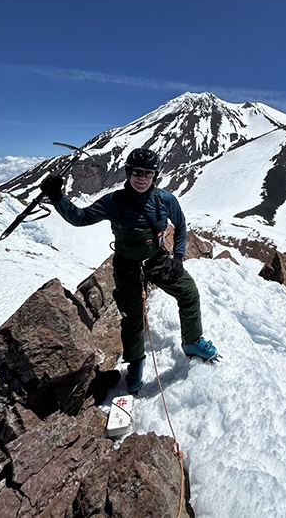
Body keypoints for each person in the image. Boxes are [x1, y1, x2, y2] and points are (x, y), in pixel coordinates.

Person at [40, 147, 218, 394]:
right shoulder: (114, 201)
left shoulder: (165, 200)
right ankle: (136, 363)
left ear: (155, 175)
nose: (141, 177)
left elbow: (181, 224)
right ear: (128, 173)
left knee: (188, 292)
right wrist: (57, 196)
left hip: (157, 259)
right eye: (136, 172)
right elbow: (79, 218)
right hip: (127, 265)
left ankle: (193, 342)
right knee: (132, 317)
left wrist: (178, 256)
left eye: (147, 173)